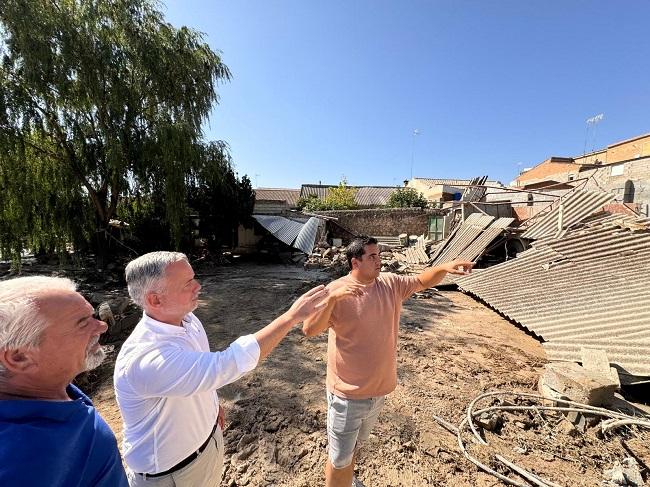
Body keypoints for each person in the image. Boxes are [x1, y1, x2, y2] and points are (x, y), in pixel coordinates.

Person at [114, 251, 329, 486]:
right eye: (187, 284)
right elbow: (225, 365)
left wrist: (211, 404)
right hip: (171, 476)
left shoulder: (187, 319)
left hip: (206, 447)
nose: (198, 286)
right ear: (155, 300)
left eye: (194, 277)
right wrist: (291, 317)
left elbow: (201, 371)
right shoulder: (148, 358)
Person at [303, 236, 473, 487]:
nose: (379, 261)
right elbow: (309, 329)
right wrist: (331, 301)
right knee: (339, 459)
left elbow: (420, 281)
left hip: (378, 393)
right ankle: (340, 480)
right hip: (347, 397)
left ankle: (347, 481)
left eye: (379, 255)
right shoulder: (336, 290)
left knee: (353, 449)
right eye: (372, 256)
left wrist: (443, 268)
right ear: (355, 262)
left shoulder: (390, 284)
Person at [0, 276, 128, 487]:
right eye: (82, 323)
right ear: (19, 358)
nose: (102, 326)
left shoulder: (51, 387)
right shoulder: (17, 465)